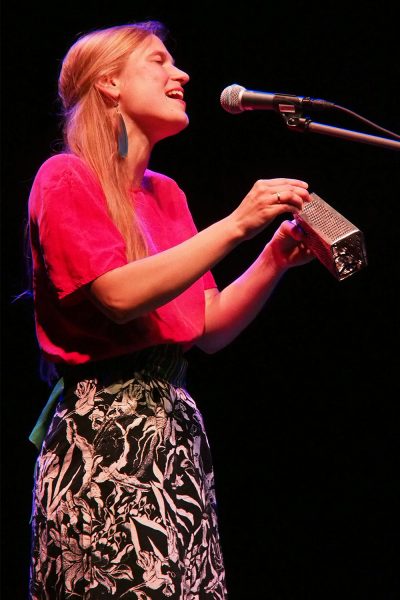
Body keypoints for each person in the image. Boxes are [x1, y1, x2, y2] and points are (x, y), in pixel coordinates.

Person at [27, 20, 313, 599]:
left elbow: (206, 327)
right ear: (108, 83)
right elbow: (118, 295)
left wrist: (272, 259)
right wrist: (235, 224)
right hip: (106, 439)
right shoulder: (64, 177)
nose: (179, 73)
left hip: (174, 441)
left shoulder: (167, 194)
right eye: (158, 61)